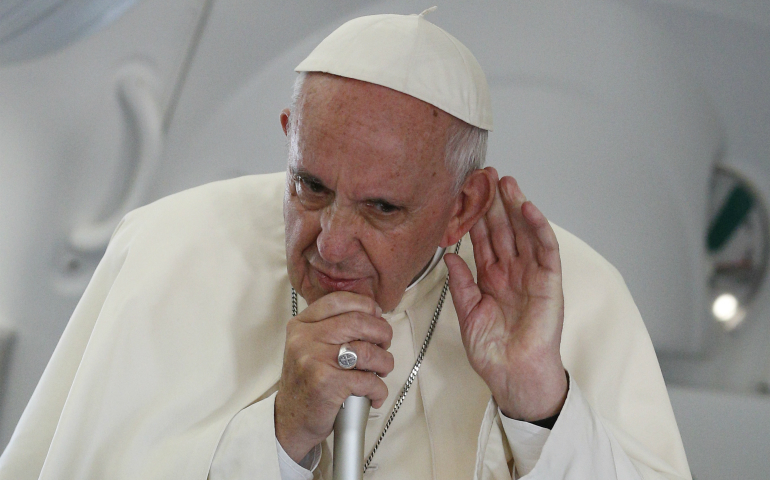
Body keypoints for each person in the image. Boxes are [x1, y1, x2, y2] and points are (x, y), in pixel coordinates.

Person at [0, 11, 690, 480]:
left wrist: (539, 405)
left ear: (464, 205)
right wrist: (277, 436)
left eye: (382, 208)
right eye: (311, 186)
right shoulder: (167, 250)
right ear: (287, 135)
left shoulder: (581, 297)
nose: (332, 244)